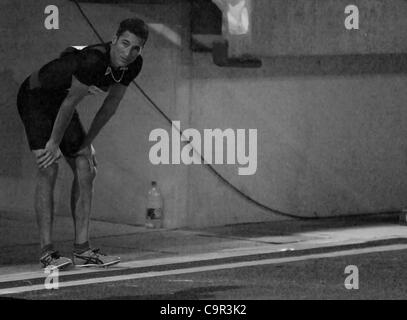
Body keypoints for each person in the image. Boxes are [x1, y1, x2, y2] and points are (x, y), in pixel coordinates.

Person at [16, 18, 148, 270]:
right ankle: (47, 252)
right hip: (36, 98)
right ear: (114, 39)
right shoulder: (94, 61)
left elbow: (109, 107)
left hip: (61, 102)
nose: (128, 52)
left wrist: (88, 142)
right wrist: (54, 143)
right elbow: (67, 105)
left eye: (135, 48)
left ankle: (83, 250)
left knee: (86, 167)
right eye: (124, 43)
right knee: (49, 166)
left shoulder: (133, 65)